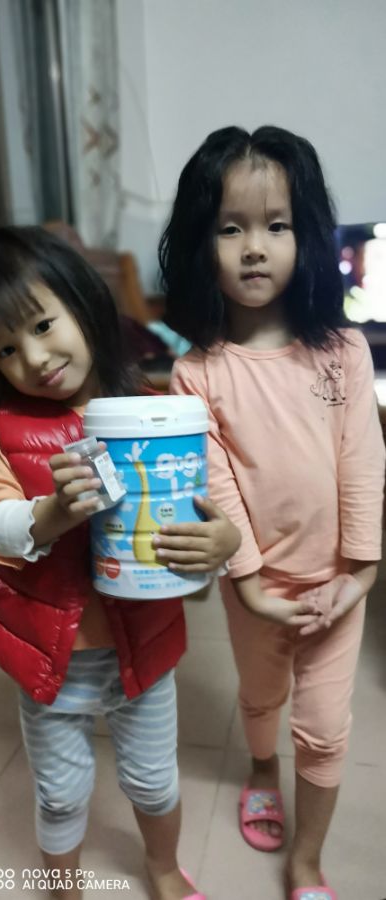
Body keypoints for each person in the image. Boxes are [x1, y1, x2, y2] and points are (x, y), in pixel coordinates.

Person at [0, 225, 241, 900]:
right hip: (52, 656)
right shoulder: (9, 431)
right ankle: (64, 888)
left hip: (142, 645)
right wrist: (47, 515)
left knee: (154, 780)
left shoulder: (157, 414)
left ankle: (162, 867)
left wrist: (222, 548)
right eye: (6, 348)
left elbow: (200, 518)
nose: (34, 358)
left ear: (83, 302)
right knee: (60, 793)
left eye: (42, 325)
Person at [157, 125, 385, 900]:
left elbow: (363, 462)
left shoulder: (343, 352)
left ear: (307, 236)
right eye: (231, 229)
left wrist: (360, 574)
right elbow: (215, 487)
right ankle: (260, 769)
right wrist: (251, 587)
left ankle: (306, 865)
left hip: (337, 584)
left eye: (276, 226)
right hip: (257, 588)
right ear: (201, 243)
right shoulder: (196, 373)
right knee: (260, 697)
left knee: (325, 727)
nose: (254, 247)